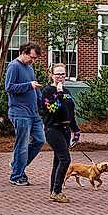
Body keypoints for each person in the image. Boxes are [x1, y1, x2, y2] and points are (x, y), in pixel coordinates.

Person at [4, 41, 44, 185]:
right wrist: (29, 86)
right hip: (19, 112)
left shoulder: (30, 68)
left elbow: (34, 86)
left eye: (35, 58)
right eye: (31, 57)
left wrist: (41, 102)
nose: (33, 61)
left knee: (40, 140)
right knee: (22, 144)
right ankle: (16, 175)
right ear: (23, 53)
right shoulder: (14, 66)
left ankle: (17, 165)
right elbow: (9, 87)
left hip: (33, 112)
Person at [41, 63, 81, 203]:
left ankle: (54, 190)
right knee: (65, 159)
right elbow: (52, 108)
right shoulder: (47, 91)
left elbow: (70, 112)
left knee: (58, 161)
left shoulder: (67, 92)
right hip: (52, 128)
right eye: (57, 74)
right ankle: (57, 191)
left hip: (65, 129)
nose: (60, 76)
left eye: (63, 74)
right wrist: (58, 92)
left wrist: (75, 130)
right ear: (52, 75)